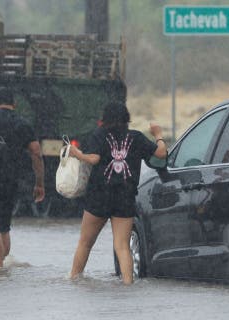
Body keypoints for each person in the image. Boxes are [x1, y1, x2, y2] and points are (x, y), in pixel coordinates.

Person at [68, 101, 167, 285]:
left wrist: (76, 153)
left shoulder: (99, 135)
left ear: (105, 118)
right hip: (125, 196)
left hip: (99, 196)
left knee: (85, 243)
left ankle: (74, 279)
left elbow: (94, 158)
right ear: (126, 118)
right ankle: (128, 284)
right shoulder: (136, 138)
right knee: (122, 246)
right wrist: (158, 134)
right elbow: (161, 154)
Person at [0, 88, 45, 268]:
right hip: (11, 179)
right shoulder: (23, 123)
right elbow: (36, 152)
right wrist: (39, 183)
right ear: (14, 104)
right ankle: (3, 267)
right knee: (4, 225)